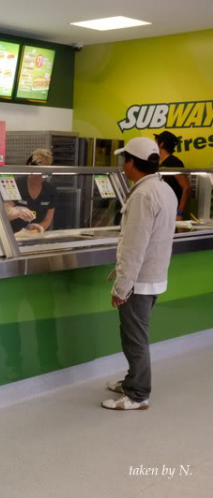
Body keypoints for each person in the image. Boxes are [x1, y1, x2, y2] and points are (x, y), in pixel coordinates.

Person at [103, 137, 177, 411]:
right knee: (135, 334)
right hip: (154, 276)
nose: (122, 165)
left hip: (139, 281)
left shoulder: (143, 195)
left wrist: (121, 288)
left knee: (134, 338)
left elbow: (134, 247)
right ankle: (132, 380)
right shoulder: (163, 189)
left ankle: (137, 394)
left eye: (125, 159)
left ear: (133, 162)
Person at [6, 149, 57, 233]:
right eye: (36, 173)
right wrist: (16, 212)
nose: (39, 177)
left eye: (43, 174)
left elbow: (48, 219)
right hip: (11, 235)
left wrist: (39, 227)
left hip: (33, 236)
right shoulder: (15, 184)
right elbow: (4, 212)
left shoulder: (50, 189)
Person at [154, 131, 190, 220]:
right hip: (161, 212)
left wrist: (179, 213)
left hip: (172, 213)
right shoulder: (159, 163)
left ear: (161, 144)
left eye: (155, 142)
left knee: (176, 234)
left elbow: (187, 188)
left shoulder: (174, 162)